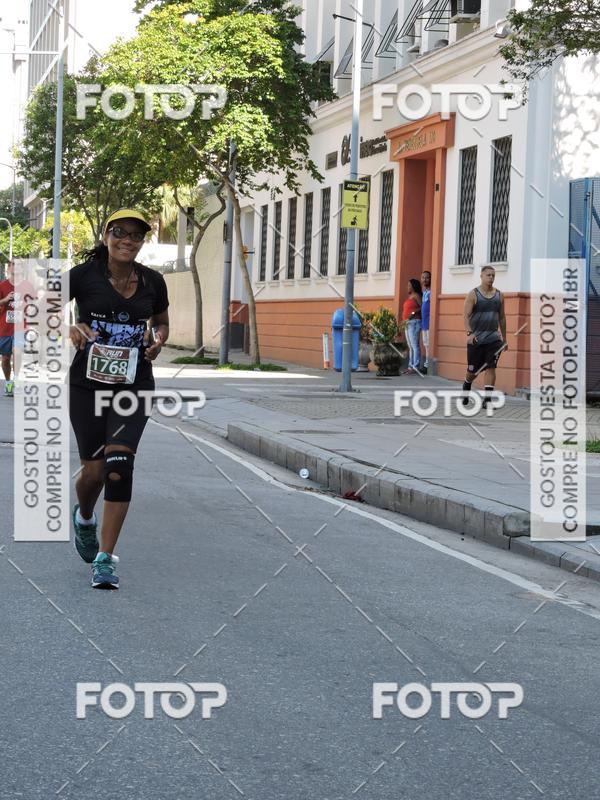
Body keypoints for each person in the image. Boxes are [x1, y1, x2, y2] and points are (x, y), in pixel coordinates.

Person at [68, 209, 169, 589]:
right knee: (93, 473)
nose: (127, 240)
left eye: (136, 235)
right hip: (87, 386)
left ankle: (105, 559)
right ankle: (85, 518)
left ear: (143, 241)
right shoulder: (83, 275)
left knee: (118, 467)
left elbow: (161, 322)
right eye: (119, 232)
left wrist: (158, 339)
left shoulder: (153, 281)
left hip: (134, 385)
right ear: (106, 235)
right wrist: (71, 325)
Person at [462, 265, 507, 407]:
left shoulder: (499, 295)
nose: (491, 278)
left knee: (491, 367)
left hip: (493, 339)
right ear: (481, 276)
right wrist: (469, 333)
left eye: (493, 275)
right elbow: (465, 316)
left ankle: (487, 400)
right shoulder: (473, 294)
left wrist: (504, 339)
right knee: (473, 371)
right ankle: (467, 384)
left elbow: (502, 318)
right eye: (488, 275)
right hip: (476, 339)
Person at [0, 260, 32, 396]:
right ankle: (8, 383)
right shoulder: (2, 286)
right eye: (13, 265)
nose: (15, 267)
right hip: (4, 328)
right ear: (8, 268)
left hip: (20, 327)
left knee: (17, 352)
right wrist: (5, 299)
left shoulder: (27, 286)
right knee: (5, 358)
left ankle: (17, 379)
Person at [401, 278, 422, 374]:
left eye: (409, 285)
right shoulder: (410, 297)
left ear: (414, 286)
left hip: (414, 322)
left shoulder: (417, 296)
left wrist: (413, 313)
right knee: (410, 346)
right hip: (408, 323)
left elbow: (422, 307)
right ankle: (410, 366)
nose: (407, 287)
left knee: (414, 345)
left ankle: (415, 366)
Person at [420, 270, 431, 372]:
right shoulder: (424, 293)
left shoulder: (431, 293)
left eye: (427, 277)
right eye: (423, 277)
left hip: (429, 323)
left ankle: (427, 365)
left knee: (428, 344)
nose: (425, 279)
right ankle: (426, 363)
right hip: (424, 323)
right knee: (425, 344)